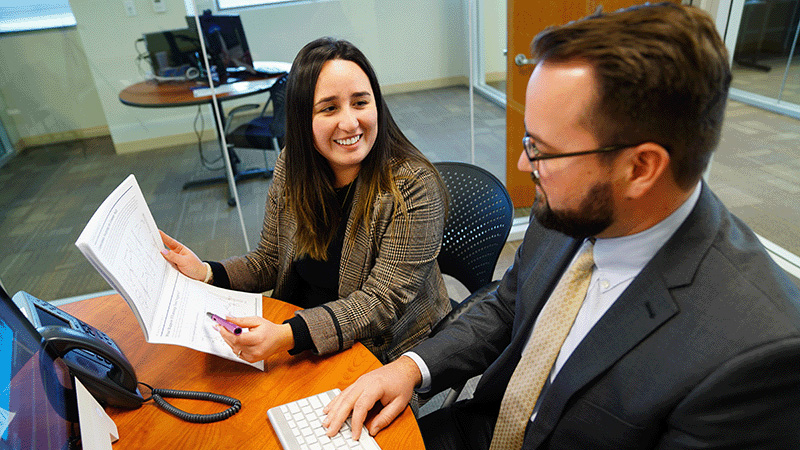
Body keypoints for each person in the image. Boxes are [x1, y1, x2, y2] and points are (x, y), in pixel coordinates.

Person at [322, 3, 800, 449]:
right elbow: (509, 303)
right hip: (488, 427)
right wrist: (411, 368)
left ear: (640, 168)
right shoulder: (574, 205)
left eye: (543, 151)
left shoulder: (755, 355)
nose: (523, 164)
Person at [160, 37, 451, 366]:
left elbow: (380, 303)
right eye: (329, 108)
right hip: (301, 331)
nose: (350, 123)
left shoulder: (411, 186)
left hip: (379, 348)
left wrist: (287, 335)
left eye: (360, 103)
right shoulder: (293, 165)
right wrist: (206, 273)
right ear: (302, 119)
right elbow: (271, 259)